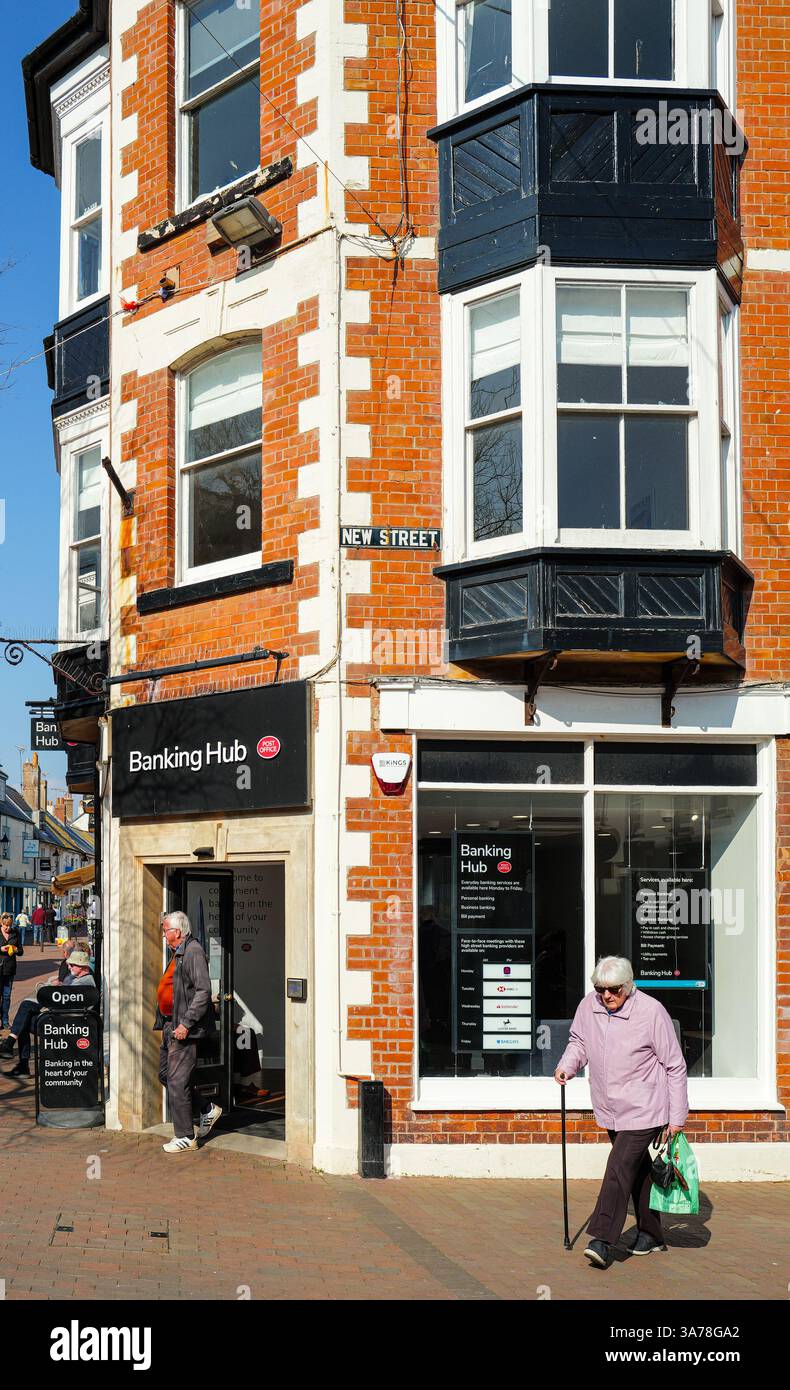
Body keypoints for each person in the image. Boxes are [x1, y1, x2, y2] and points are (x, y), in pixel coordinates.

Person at [554, 955, 688, 1270]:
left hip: (645, 1107)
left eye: (613, 989)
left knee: (618, 1167)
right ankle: (651, 1234)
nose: (606, 996)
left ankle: (601, 1239)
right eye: (601, 988)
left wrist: (677, 1117)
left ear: (628, 986)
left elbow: (674, 1065)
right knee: (638, 1171)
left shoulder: (651, 1012)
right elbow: (578, 1042)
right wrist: (567, 1066)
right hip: (610, 1107)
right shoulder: (589, 1006)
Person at [156, 911, 222, 1153]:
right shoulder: (179, 952)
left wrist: (186, 1023)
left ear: (178, 931)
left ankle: (185, 1136)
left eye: (166, 931)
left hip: (184, 1028)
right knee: (166, 1075)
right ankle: (206, 1108)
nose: (164, 935)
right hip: (170, 1025)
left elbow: (204, 990)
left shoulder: (192, 951)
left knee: (177, 1080)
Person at [0, 950, 94, 1077]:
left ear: (83, 966)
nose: (69, 966)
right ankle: (20, 1062)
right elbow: (61, 994)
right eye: (69, 964)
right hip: (57, 1014)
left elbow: (64, 1001)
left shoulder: (85, 982)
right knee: (24, 1018)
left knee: (26, 1008)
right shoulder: (73, 977)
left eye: (72, 965)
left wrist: (52, 992)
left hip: (65, 1023)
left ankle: (12, 1048)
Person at [0, 914, 23, 1031]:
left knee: (6, 996)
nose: (7, 928)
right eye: (5, 925)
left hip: (10, 968)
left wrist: (15, 950)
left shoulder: (15, 932)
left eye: (9, 925)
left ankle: (5, 1021)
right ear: (1, 923)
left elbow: (21, 951)